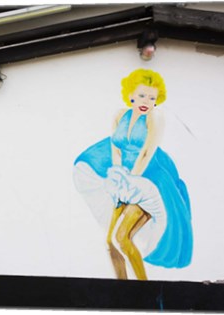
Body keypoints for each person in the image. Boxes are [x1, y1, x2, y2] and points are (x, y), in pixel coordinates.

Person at [73, 69, 193, 280]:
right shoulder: (120, 115)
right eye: (142, 95)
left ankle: (142, 287)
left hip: (148, 182)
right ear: (131, 95)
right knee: (110, 241)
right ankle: (123, 287)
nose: (146, 101)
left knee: (123, 237)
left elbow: (147, 152)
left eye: (152, 97)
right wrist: (117, 175)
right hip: (124, 180)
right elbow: (116, 148)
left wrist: (130, 180)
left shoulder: (155, 117)